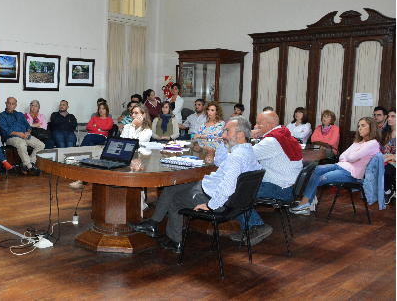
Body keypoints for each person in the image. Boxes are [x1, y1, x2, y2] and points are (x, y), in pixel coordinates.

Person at [128, 116, 262, 252]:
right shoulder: (248, 152)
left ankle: (176, 242)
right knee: (172, 188)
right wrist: (224, 142)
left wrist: (210, 205)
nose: (223, 134)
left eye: (227, 131)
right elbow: (219, 163)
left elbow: (227, 188)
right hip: (222, 195)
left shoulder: (236, 157)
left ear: (240, 135)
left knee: (175, 201)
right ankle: (153, 224)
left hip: (213, 198)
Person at [230, 110, 303, 245]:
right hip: (289, 186)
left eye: (258, 123)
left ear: (268, 124)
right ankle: (247, 227)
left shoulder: (271, 141)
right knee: (241, 185)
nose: (256, 126)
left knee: (236, 191)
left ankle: (256, 227)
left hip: (281, 189)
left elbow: (242, 156)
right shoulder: (282, 132)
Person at [291, 117, 381, 214]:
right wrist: (351, 157)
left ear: (371, 127)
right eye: (359, 126)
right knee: (314, 170)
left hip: (351, 173)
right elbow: (342, 156)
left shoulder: (373, 143)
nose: (360, 128)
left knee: (318, 178)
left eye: (363, 126)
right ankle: (307, 202)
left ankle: (305, 203)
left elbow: (351, 157)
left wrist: (351, 157)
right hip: (341, 166)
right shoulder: (358, 142)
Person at [70, 103, 115, 190]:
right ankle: (87, 163)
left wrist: (96, 126)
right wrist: (99, 129)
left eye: (103, 109)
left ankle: (79, 154)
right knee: (90, 143)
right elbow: (88, 126)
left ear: (106, 110)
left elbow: (107, 128)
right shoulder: (94, 118)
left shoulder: (109, 119)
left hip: (102, 137)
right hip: (91, 136)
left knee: (88, 137)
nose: (101, 110)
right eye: (100, 108)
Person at [0, 97, 44, 176]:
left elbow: (28, 126)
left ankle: (29, 164)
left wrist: (28, 132)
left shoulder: (20, 115)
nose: (10, 105)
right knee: (21, 144)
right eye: (9, 103)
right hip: (11, 137)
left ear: (15, 105)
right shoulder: (1, 116)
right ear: (6, 103)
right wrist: (18, 134)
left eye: (13, 104)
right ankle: (30, 166)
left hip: (25, 135)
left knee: (41, 145)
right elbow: (5, 130)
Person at [380, 109, 395, 202]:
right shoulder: (385, 132)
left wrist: (389, 158)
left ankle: (389, 190)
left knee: (386, 170)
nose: (389, 119)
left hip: (394, 159)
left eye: (393, 116)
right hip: (385, 158)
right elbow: (379, 148)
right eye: (388, 116)